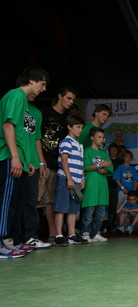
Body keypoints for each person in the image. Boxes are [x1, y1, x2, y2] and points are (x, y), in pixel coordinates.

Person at [1, 66, 49, 258]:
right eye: (43, 84)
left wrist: (26, 159)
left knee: (16, 202)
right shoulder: (16, 95)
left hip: (19, 157)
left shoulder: (23, 101)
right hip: (7, 155)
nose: (44, 89)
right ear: (31, 80)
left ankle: (12, 240)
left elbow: (22, 134)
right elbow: (7, 125)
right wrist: (14, 156)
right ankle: (2, 241)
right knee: (6, 201)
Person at [40, 85, 78, 243]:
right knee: (33, 198)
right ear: (60, 96)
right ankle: (20, 235)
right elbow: (36, 138)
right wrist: (41, 161)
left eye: (73, 100)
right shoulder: (44, 113)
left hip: (58, 167)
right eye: (69, 98)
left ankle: (53, 234)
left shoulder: (67, 119)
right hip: (41, 163)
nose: (71, 102)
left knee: (50, 201)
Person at [20, 93, 51, 249]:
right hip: (17, 159)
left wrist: (41, 161)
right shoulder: (15, 102)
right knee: (13, 201)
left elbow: (37, 138)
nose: (43, 90)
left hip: (33, 162)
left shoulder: (37, 112)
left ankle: (30, 236)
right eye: (42, 84)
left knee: (31, 200)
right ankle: (11, 237)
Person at [53, 115, 88, 246]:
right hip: (65, 178)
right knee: (61, 207)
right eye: (78, 127)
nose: (80, 130)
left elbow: (81, 163)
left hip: (77, 180)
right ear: (69, 127)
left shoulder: (79, 145)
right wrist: (69, 179)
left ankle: (72, 234)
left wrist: (82, 177)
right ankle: (58, 235)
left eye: (81, 128)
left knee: (73, 209)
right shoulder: (66, 141)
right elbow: (64, 160)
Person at [81, 127, 113, 243]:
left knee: (100, 212)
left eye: (103, 137)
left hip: (102, 185)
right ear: (92, 138)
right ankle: (85, 233)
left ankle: (95, 233)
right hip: (91, 184)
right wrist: (100, 165)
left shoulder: (103, 152)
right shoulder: (87, 151)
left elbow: (109, 166)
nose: (102, 140)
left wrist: (105, 170)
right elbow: (85, 167)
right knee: (89, 212)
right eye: (99, 137)